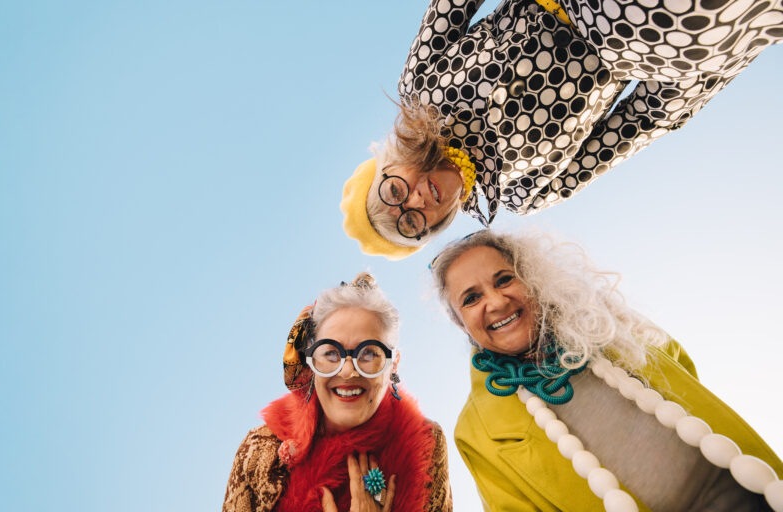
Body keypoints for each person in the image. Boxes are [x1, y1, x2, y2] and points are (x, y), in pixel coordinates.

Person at [341, 0, 782, 259]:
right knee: (692, 27)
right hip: (636, 47)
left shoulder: (419, 88)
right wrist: (701, 66)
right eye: (413, 222)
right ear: (435, 226)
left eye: (394, 193)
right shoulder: (527, 192)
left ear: (388, 168)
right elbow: (635, 124)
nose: (415, 200)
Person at [429, 230, 783, 511]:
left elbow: (680, 366)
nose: (495, 301)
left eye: (504, 279)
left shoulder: (603, 327)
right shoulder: (474, 432)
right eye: (471, 298)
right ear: (461, 324)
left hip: (756, 490)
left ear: (531, 280)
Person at [222, 273, 453, 512]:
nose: (348, 371)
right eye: (331, 353)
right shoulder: (260, 449)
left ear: (392, 364)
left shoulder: (427, 445)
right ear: (311, 363)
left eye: (368, 353)